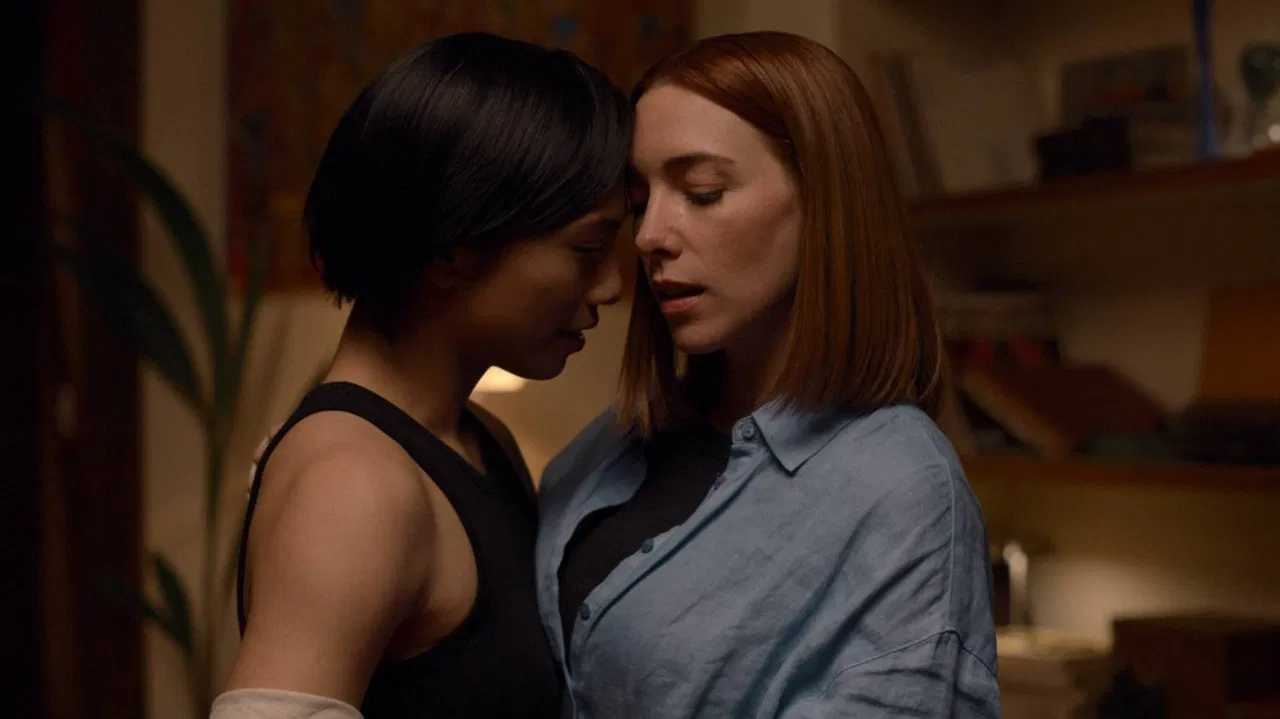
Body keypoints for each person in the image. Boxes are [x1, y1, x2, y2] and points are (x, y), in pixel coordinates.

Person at [536, 31, 1001, 718]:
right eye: (639, 200)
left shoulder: (901, 488)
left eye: (703, 192)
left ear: (824, 201)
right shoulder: (607, 445)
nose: (650, 235)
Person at [215, 33, 630, 719]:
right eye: (587, 249)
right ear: (450, 251)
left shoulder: (477, 439)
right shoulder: (354, 485)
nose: (611, 286)